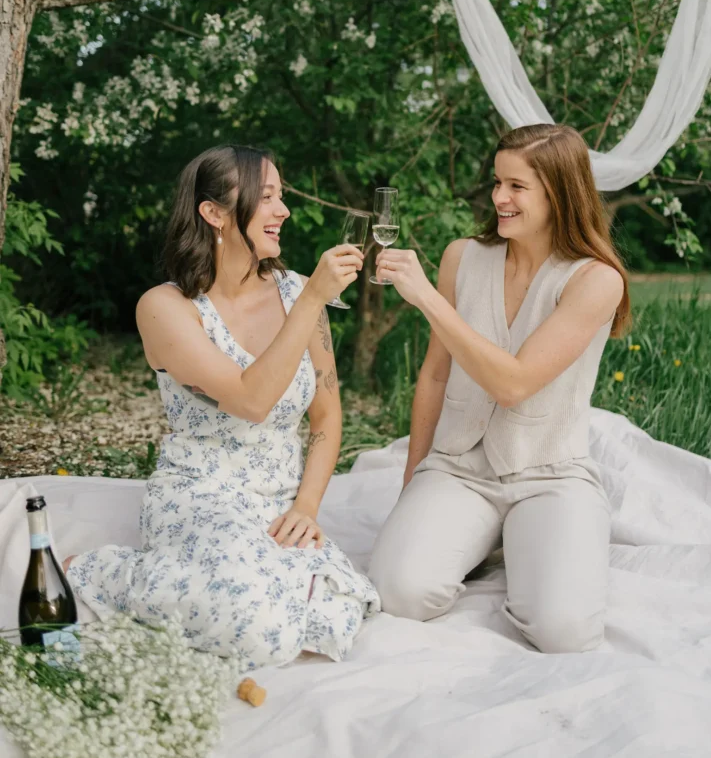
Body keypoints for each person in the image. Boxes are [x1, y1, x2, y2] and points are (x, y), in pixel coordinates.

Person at [64, 144, 379, 668]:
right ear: (213, 213)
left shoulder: (297, 292)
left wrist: (306, 507)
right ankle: (105, 573)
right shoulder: (165, 308)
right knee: (260, 632)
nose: (284, 210)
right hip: (200, 494)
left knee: (320, 618)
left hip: (277, 499)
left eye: (282, 196)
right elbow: (251, 400)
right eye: (269, 196)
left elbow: (326, 415)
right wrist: (311, 300)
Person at [368, 124, 628, 654]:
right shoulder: (463, 257)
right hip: (459, 468)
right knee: (399, 592)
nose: (498, 198)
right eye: (496, 182)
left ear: (560, 191)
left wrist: (427, 300)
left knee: (564, 631)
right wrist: (413, 483)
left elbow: (514, 384)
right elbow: (437, 375)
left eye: (516, 186)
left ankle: (528, 539)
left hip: (550, 475)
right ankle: (485, 537)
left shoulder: (594, 279)